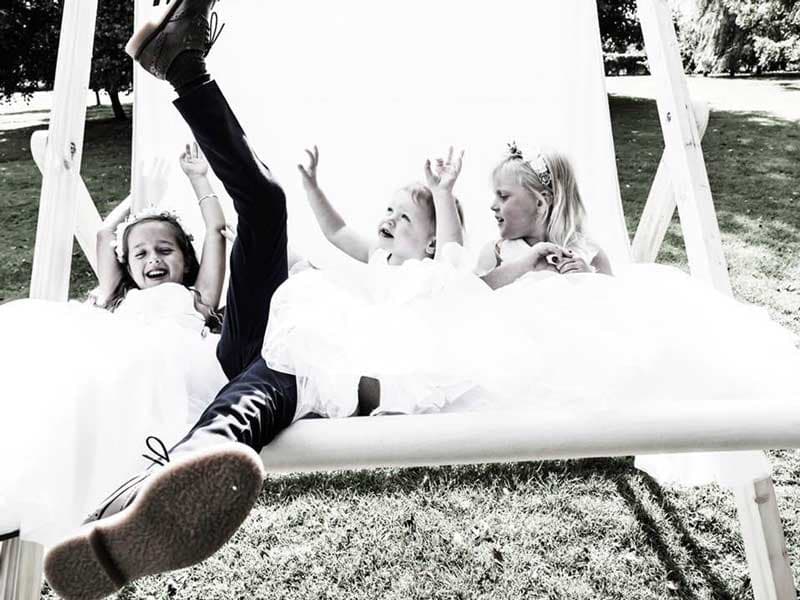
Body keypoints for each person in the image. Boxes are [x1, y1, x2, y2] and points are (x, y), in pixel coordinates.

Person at [42, 2, 467, 597]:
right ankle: (185, 68)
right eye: (390, 212)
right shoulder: (371, 259)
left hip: (302, 357)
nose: (391, 220)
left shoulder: (443, 272)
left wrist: (444, 199)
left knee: (281, 378)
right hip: (253, 339)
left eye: (407, 216)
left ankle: (157, 490)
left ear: (437, 236)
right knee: (267, 206)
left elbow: (450, 249)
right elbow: (333, 233)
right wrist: (310, 207)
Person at [0, 144, 228, 547]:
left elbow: (215, 231)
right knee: (23, 331)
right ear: (128, 266)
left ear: (186, 260)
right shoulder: (115, 296)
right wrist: (138, 200)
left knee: (104, 379)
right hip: (110, 356)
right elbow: (105, 235)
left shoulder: (197, 297)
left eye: (164, 250)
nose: (152, 259)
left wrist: (199, 179)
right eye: (140, 254)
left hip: (163, 362)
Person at [477, 144, 612, 290]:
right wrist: (522, 265)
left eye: (503, 196)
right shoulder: (496, 252)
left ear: (540, 203)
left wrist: (587, 279)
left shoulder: (588, 251)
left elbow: (612, 300)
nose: (493, 206)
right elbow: (470, 294)